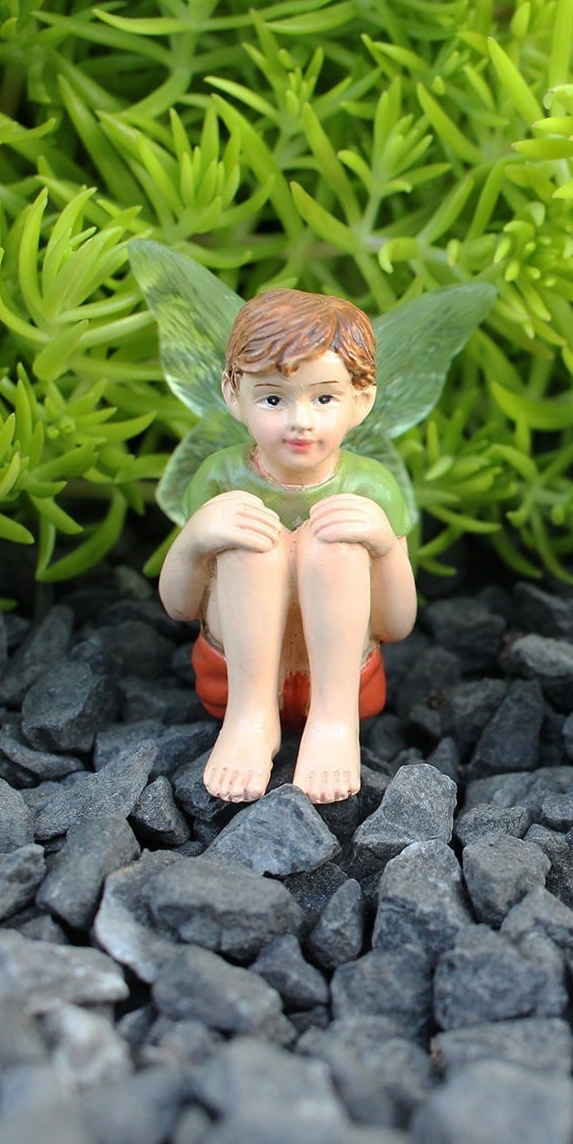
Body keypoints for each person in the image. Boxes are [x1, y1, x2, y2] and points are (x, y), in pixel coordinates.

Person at [158, 288, 418, 805]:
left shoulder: (372, 487)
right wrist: (196, 538)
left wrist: (385, 548)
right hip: (231, 678)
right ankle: (250, 721)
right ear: (234, 394)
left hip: (349, 684)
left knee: (335, 542)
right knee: (253, 542)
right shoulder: (219, 478)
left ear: (361, 400)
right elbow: (180, 606)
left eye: (324, 398)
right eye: (273, 399)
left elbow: (396, 624)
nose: (301, 421)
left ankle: (334, 726)